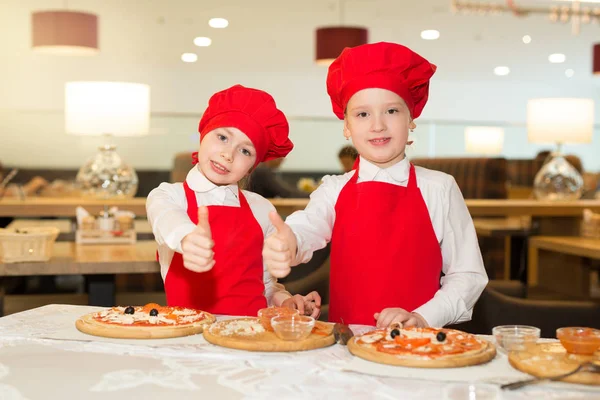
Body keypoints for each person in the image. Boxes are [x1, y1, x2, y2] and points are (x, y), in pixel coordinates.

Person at [262, 42, 488, 328]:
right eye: (362, 114)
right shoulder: (333, 189)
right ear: (346, 127)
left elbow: (468, 275)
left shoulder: (440, 188)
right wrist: (287, 242)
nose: (378, 125)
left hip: (417, 346)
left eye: (392, 111)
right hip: (347, 347)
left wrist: (423, 317)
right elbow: (307, 227)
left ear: (411, 120)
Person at [147, 85, 320, 318]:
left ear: (252, 167)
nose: (228, 154)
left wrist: (285, 301)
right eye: (222, 137)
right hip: (190, 339)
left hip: (251, 337)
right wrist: (188, 238)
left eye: (245, 151)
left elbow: (265, 285)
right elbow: (167, 220)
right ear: (203, 134)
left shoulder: (262, 208)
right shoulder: (169, 196)